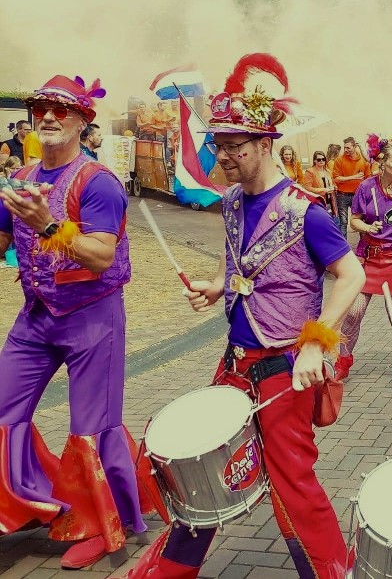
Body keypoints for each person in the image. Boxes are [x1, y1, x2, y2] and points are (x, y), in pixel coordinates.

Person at [126, 53, 365, 579]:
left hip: (283, 369)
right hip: (235, 361)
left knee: (293, 486)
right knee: (199, 469)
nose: (224, 155)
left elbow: (352, 277)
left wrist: (314, 343)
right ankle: (169, 572)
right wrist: (216, 287)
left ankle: (330, 574)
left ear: (265, 143)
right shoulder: (233, 201)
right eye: (220, 143)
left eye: (235, 145)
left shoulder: (308, 212)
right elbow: (237, 262)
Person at [0, 74, 162, 569]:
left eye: (60, 110)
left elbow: (99, 255)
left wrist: (45, 223)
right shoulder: (21, 179)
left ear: (81, 121)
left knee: (92, 428)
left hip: (93, 318)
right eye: (40, 108)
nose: (48, 116)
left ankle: (102, 526)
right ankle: (26, 502)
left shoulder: (99, 183)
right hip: (36, 316)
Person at [338, 136, 392, 380]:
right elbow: (354, 221)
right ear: (381, 162)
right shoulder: (366, 187)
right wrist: (367, 228)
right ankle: (343, 361)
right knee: (354, 313)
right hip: (367, 258)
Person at [330, 136, 371, 238]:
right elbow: (336, 179)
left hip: (358, 196)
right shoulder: (339, 160)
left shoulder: (363, 160)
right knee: (343, 222)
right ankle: (345, 248)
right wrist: (354, 177)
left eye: (348, 148)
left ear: (355, 147)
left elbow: (368, 178)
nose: (345, 150)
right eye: (345, 147)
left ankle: (363, 245)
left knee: (360, 221)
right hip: (342, 195)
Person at [303, 149, 338, 217]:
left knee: (332, 220)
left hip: (330, 201)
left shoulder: (328, 171)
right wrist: (324, 190)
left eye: (323, 159)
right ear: (314, 160)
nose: (321, 161)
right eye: (319, 159)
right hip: (317, 202)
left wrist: (334, 187)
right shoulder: (310, 172)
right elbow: (306, 188)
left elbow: (333, 183)